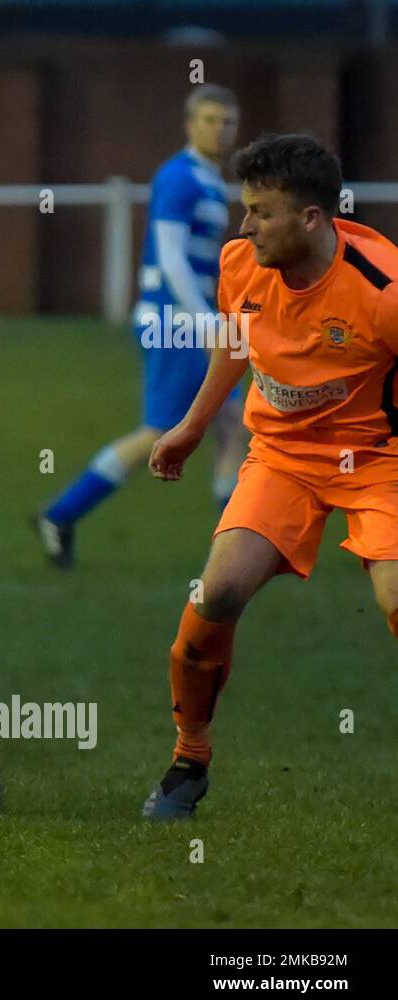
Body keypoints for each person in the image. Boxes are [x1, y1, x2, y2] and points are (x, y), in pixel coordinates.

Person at [142, 133, 398, 818]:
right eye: (244, 208)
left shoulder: (384, 289)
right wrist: (194, 426)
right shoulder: (242, 263)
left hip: (379, 460)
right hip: (284, 455)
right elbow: (236, 339)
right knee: (216, 593)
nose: (244, 226)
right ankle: (188, 759)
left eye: (260, 212)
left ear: (311, 219)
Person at [37, 84, 247, 568]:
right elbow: (171, 261)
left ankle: (231, 546)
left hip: (193, 322)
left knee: (233, 426)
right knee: (160, 430)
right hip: (173, 323)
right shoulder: (179, 178)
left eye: (229, 121)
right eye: (211, 119)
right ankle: (61, 513)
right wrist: (208, 323)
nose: (221, 129)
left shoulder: (209, 180)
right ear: (189, 124)